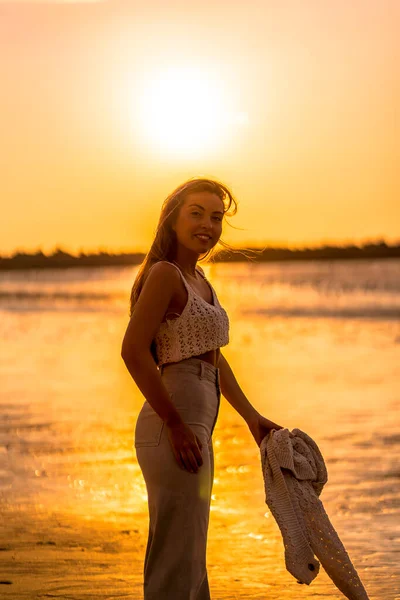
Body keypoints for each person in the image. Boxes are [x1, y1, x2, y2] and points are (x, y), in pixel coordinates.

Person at [121, 177, 283, 600]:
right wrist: (174, 424)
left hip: (195, 420)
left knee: (189, 550)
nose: (207, 225)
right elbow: (133, 351)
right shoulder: (165, 275)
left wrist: (252, 418)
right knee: (177, 554)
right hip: (172, 421)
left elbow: (213, 359)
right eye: (196, 213)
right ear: (172, 219)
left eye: (216, 217)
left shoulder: (201, 280)